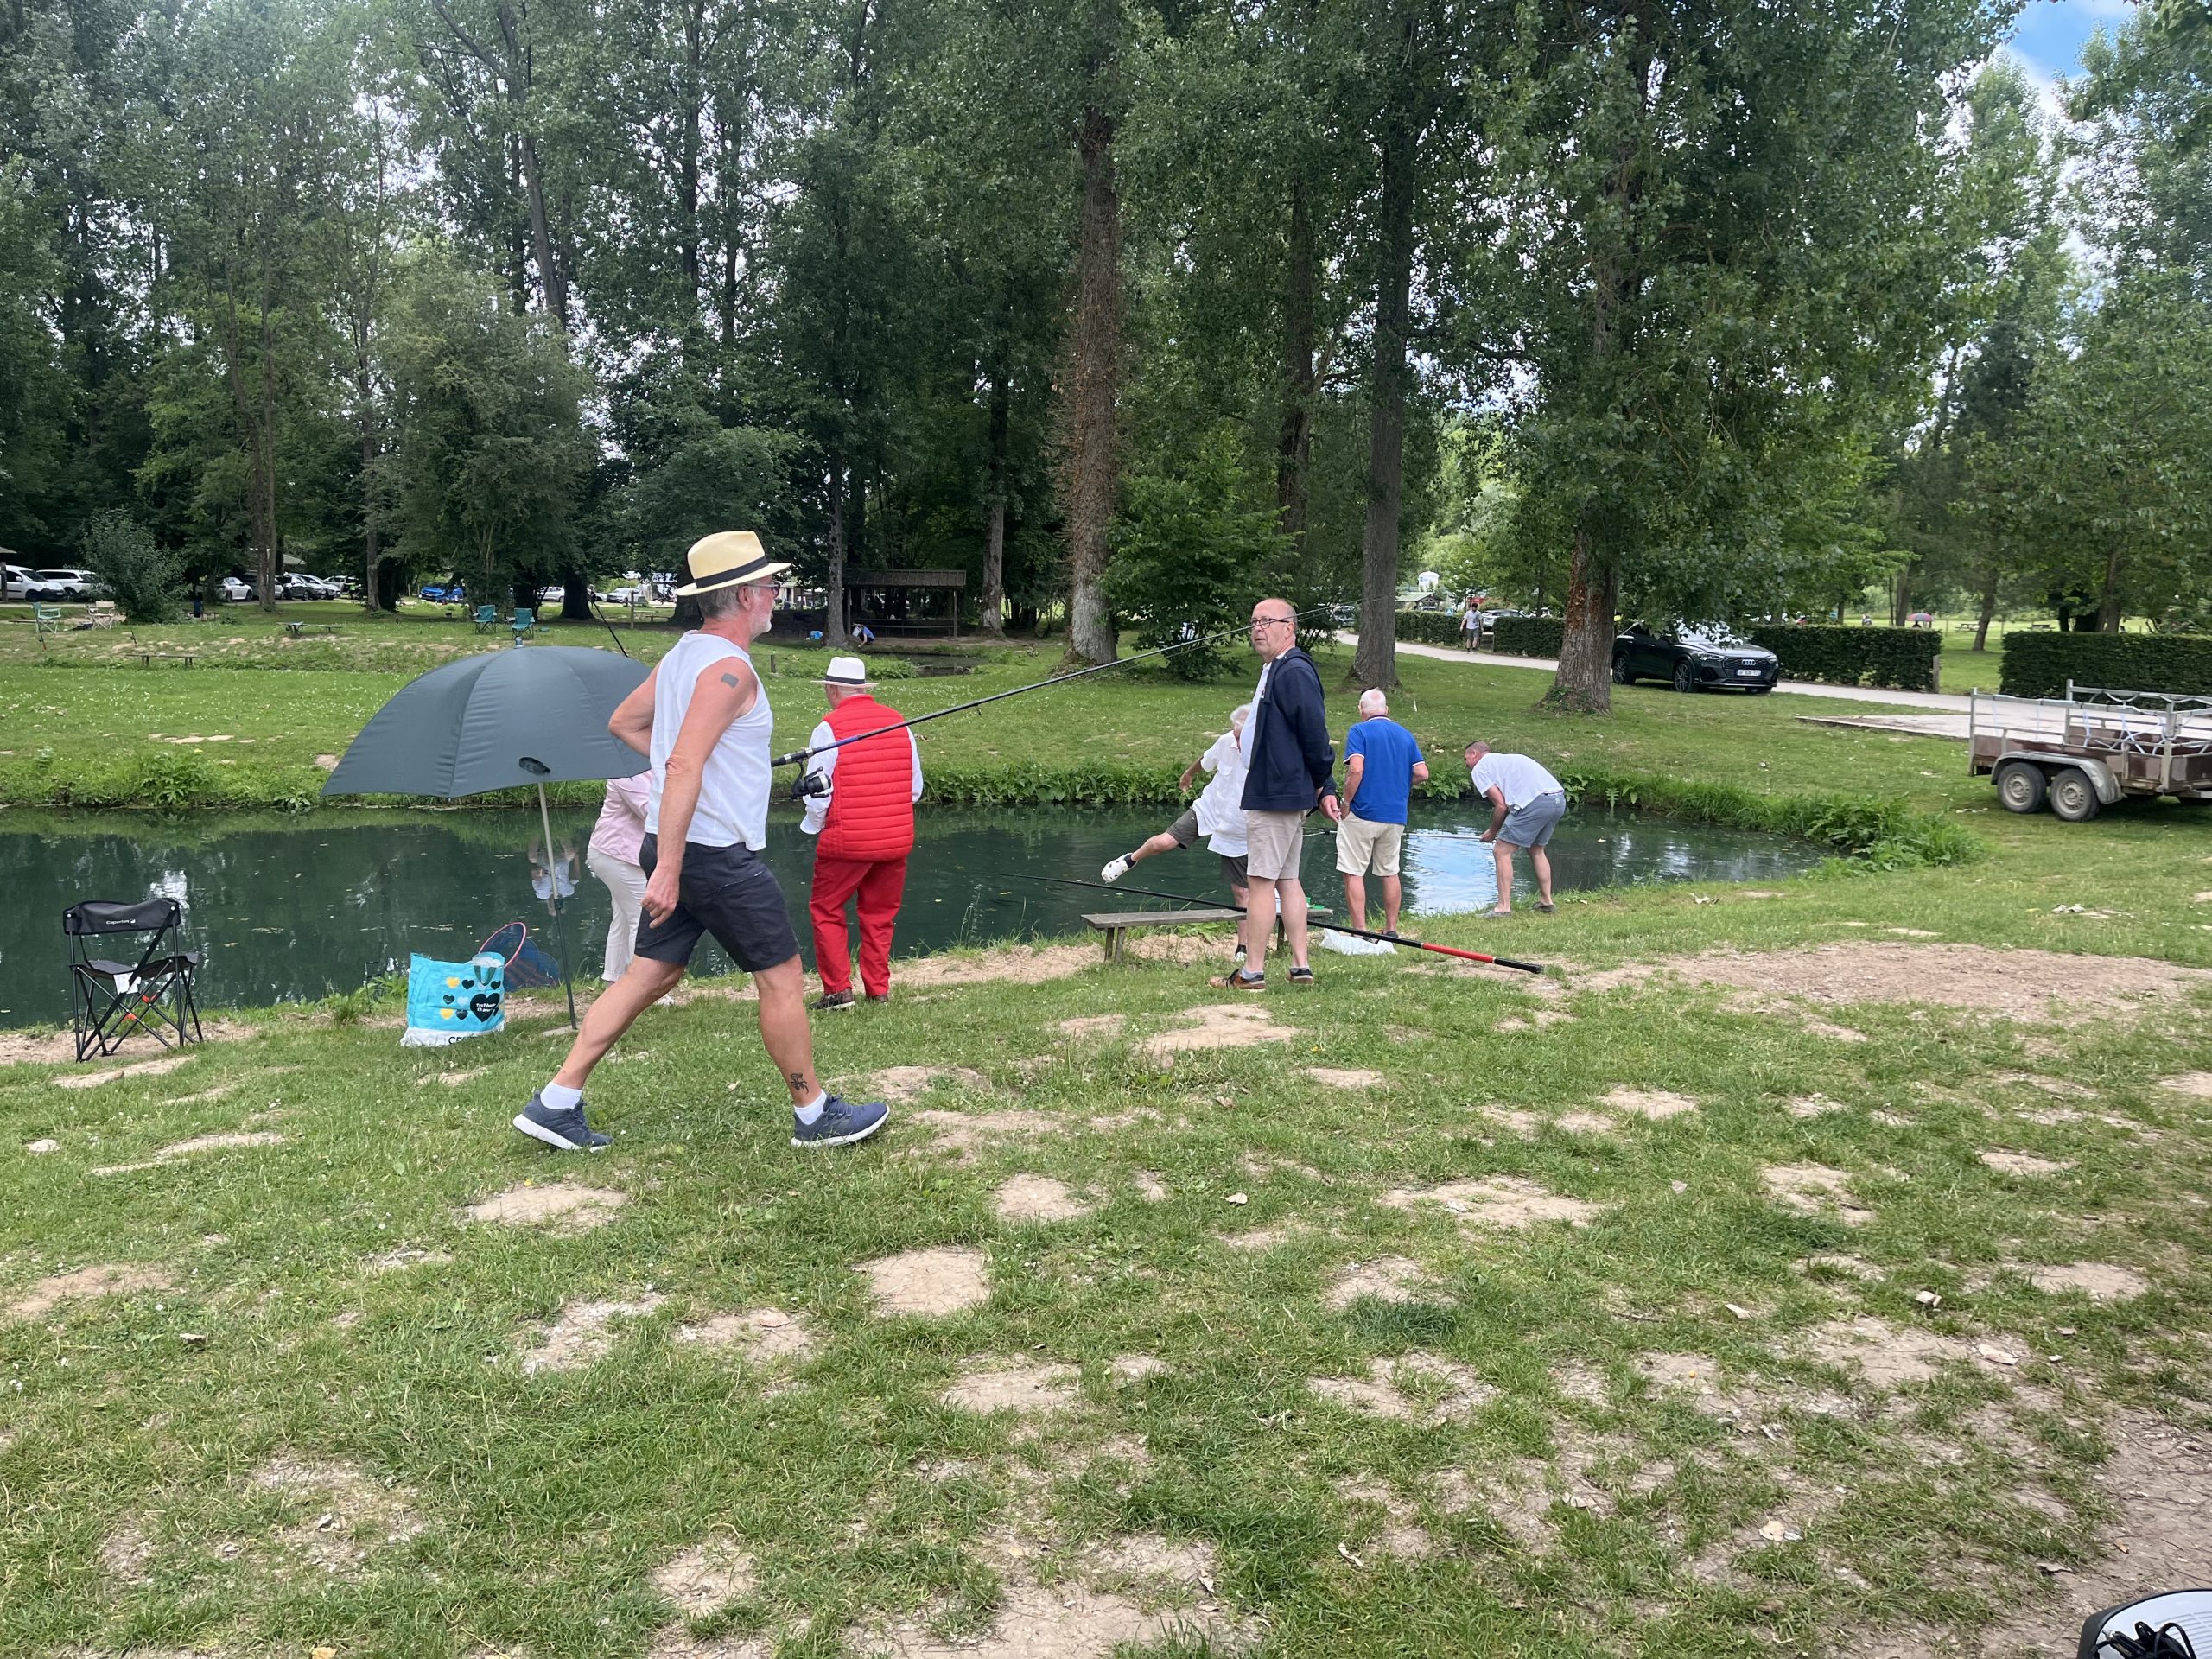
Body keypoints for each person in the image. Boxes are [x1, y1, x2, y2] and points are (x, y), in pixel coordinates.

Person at [513, 531, 891, 1155]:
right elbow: (683, 764)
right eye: (770, 586)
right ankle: (814, 1113)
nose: (776, 595)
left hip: (677, 846)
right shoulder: (730, 671)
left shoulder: (686, 653)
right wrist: (673, 861)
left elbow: (628, 725)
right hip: (712, 857)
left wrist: (700, 781)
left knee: (648, 975)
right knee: (782, 976)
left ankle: (556, 1102)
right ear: (745, 595)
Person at [1215, 600, 1339, 990]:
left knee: (1260, 881)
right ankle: (1301, 967)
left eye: (1267, 621)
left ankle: (1252, 971)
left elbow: (1315, 733)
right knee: (1288, 880)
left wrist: (1325, 781)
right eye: (1253, 622)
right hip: (1283, 791)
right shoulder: (1276, 669)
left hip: (1277, 792)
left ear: (1290, 628)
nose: (1258, 628)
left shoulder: (1294, 670)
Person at [798, 657, 922, 1011]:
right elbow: (914, 789)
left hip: (847, 842)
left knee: (827, 909)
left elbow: (818, 789)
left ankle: (838, 990)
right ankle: (878, 991)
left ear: (832, 690)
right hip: (894, 841)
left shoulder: (829, 727)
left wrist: (814, 823)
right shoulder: (900, 722)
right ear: (864, 689)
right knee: (879, 914)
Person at [1100, 704, 1253, 940]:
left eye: (1242, 737)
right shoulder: (1225, 741)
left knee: (1242, 891)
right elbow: (1206, 759)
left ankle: (1242, 948)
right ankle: (1130, 860)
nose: (1237, 742)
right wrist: (1188, 775)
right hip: (1210, 809)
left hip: (1240, 826)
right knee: (1165, 841)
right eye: (1235, 735)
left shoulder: (1268, 752)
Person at [1337, 689, 1428, 936]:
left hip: (1362, 812)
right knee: (1390, 871)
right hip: (1395, 815)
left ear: (1361, 709)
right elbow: (1422, 773)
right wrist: (1398, 782)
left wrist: (1345, 802)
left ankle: (1360, 930)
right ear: (1387, 710)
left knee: (1354, 871)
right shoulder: (1406, 735)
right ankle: (1391, 929)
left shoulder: (1359, 731)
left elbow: (1356, 770)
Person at [1465, 741, 1565, 917]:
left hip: (1534, 802)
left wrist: (1492, 832)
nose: (1465, 763)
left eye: (1465, 758)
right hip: (1557, 799)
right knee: (1536, 849)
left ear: (1474, 753)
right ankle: (1546, 902)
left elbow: (1501, 805)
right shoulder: (1506, 760)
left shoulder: (1480, 768)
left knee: (1501, 851)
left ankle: (1503, 908)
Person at [586, 772, 652, 982]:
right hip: (616, 855)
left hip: (623, 855)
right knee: (642, 919)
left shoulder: (654, 767)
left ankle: (614, 979)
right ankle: (643, 986)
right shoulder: (627, 774)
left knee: (623, 917)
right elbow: (650, 812)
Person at [528, 838, 579, 915]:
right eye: (558, 906)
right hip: (562, 860)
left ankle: (535, 834)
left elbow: (533, 873)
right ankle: (562, 831)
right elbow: (576, 877)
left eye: (552, 907)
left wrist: (540, 873)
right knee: (571, 853)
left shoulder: (541, 894)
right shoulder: (568, 891)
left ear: (549, 906)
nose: (555, 904)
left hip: (543, 862)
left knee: (532, 858)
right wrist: (576, 858)